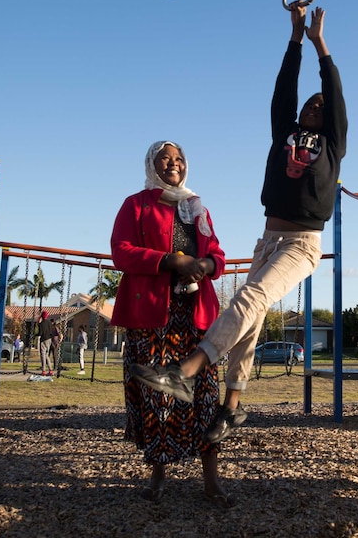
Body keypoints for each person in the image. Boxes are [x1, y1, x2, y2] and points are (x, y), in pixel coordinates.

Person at [131, 2, 347, 444]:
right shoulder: (283, 133)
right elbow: (284, 91)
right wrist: (293, 38)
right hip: (269, 237)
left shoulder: (332, 144)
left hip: (303, 242)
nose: (313, 104)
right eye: (310, 102)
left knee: (251, 296)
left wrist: (319, 43)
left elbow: (335, 94)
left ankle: (188, 369)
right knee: (252, 315)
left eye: (320, 105)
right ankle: (232, 405)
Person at [111, 141, 230, 507]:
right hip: (153, 318)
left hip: (195, 318)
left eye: (178, 159)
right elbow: (121, 251)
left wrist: (204, 266)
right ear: (151, 164)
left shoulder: (196, 206)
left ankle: (211, 482)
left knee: (206, 396)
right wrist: (171, 261)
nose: (173, 164)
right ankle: (158, 474)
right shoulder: (136, 204)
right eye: (165, 158)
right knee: (158, 397)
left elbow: (217, 256)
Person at [37, 310, 54, 376]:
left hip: (43, 339)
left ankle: (43, 370)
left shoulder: (41, 324)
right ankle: (50, 369)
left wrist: (35, 334)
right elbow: (51, 331)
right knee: (47, 355)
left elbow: (40, 333)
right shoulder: (50, 323)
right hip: (49, 339)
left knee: (43, 355)